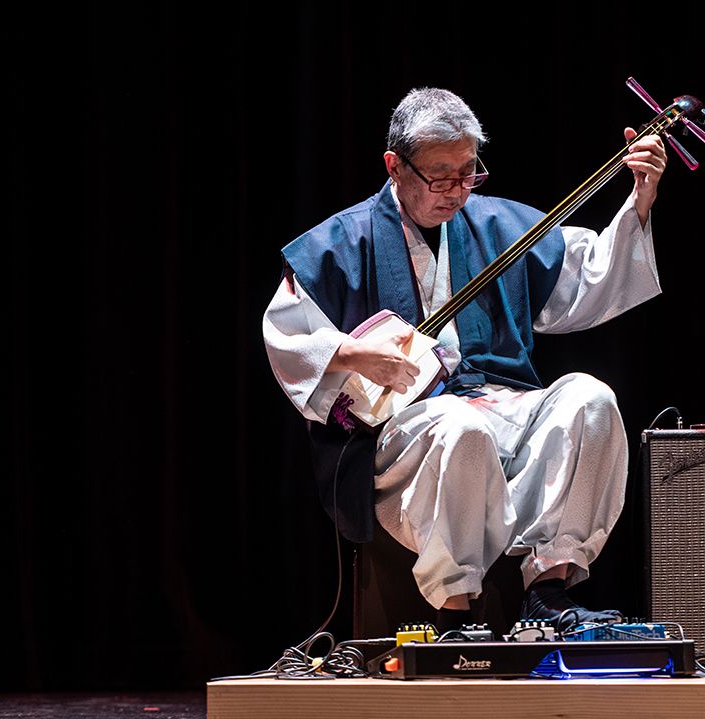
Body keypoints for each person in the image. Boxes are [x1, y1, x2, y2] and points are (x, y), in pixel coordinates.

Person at [263, 87, 668, 633]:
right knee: (462, 426)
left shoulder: (499, 224)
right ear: (395, 166)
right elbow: (285, 334)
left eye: (468, 172)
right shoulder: (340, 241)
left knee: (589, 399)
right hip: (406, 434)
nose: (457, 190)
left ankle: (549, 589)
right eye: (440, 176)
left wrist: (639, 199)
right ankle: (456, 611)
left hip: (500, 403)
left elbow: (590, 278)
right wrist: (356, 353)